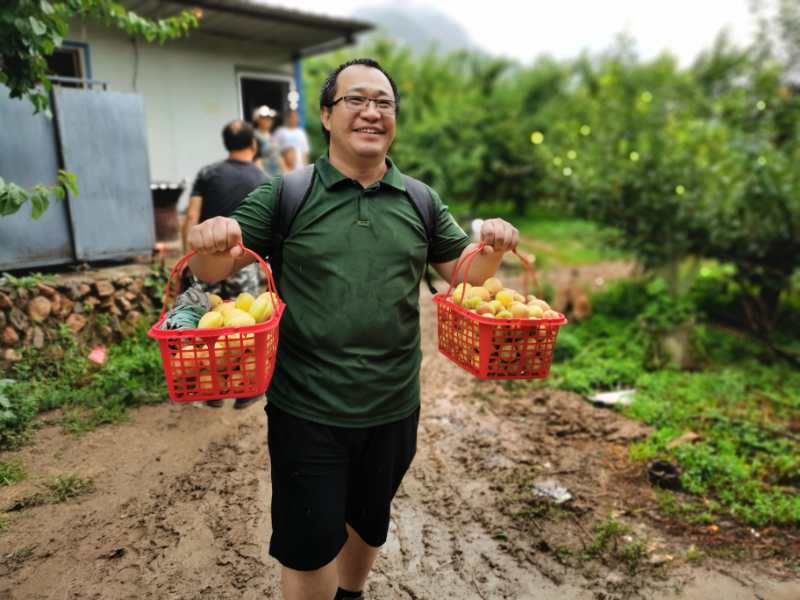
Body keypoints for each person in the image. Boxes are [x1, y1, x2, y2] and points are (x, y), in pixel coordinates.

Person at [186, 58, 519, 600]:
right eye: (356, 100)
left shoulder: (420, 200)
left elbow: (464, 274)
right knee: (309, 543)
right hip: (307, 408)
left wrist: (493, 248)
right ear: (326, 115)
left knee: (369, 520)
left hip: (393, 403)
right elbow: (211, 269)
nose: (372, 112)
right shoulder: (287, 194)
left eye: (384, 103)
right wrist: (211, 239)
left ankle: (352, 594)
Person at [182, 119, 267, 410]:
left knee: (208, 325)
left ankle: (213, 390)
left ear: (225, 144)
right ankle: (245, 391)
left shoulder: (208, 173)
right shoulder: (263, 179)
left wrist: (188, 258)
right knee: (244, 327)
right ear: (253, 144)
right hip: (244, 262)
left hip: (206, 260)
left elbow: (191, 216)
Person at [252, 105, 284, 176]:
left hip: (277, 175)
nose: (268, 120)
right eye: (265, 118)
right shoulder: (254, 136)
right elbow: (256, 159)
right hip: (264, 176)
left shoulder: (273, 136)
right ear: (258, 119)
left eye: (270, 118)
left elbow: (279, 156)